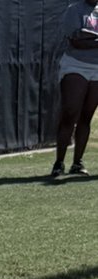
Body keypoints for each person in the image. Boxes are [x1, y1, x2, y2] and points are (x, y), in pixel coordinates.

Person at [52, 2, 98, 177]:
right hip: (76, 65)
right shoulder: (74, 10)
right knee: (70, 113)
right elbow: (77, 40)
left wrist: (90, 37)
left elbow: (86, 38)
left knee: (86, 116)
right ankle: (59, 162)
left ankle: (77, 163)